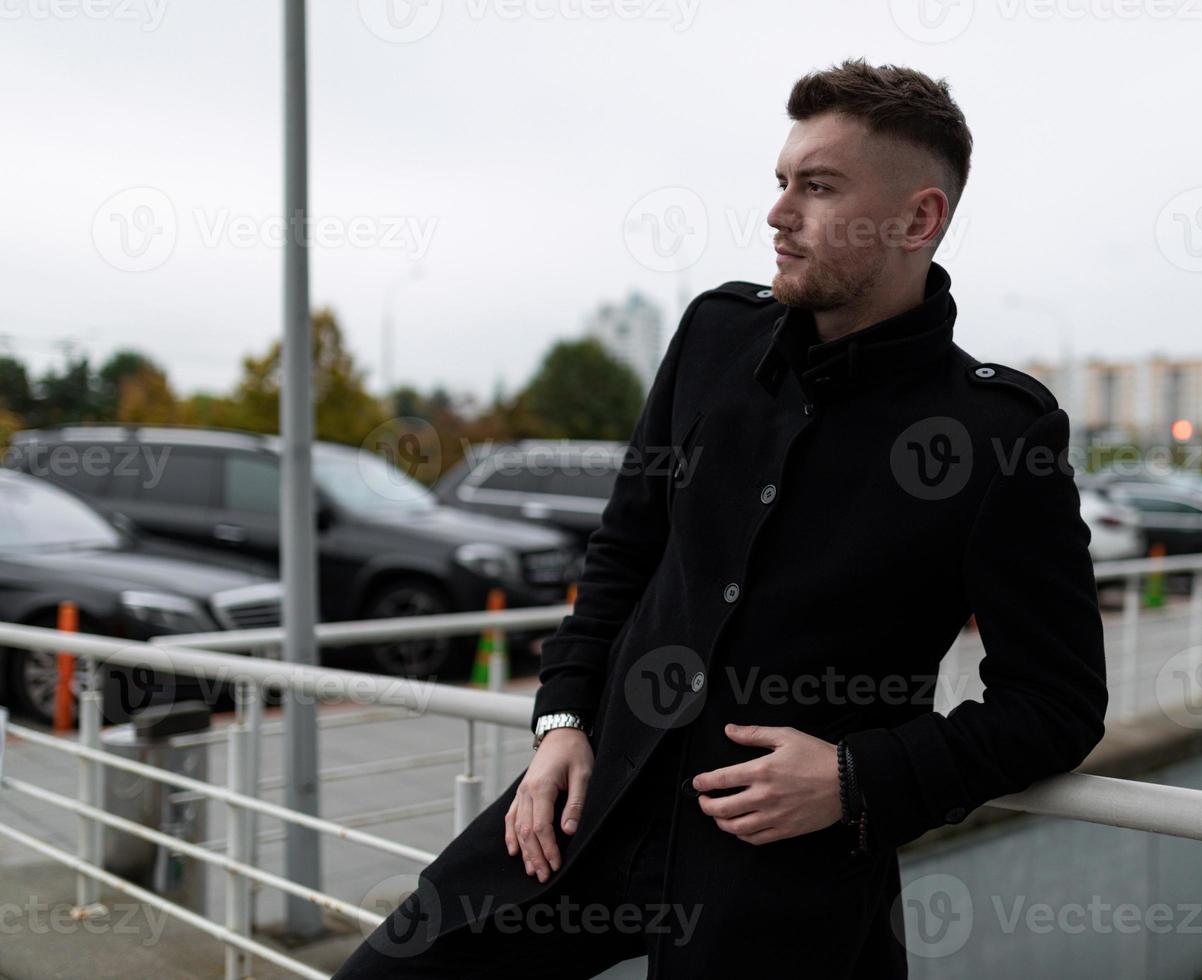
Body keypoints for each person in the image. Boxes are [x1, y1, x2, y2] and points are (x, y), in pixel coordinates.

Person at [335, 57, 1108, 979]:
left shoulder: (997, 434)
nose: (779, 214)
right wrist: (561, 724)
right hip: (590, 808)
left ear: (918, 219)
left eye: (818, 188)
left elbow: (1056, 705)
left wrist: (860, 781)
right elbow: (624, 552)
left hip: (781, 881)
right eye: (782, 182)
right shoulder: (714, 337)